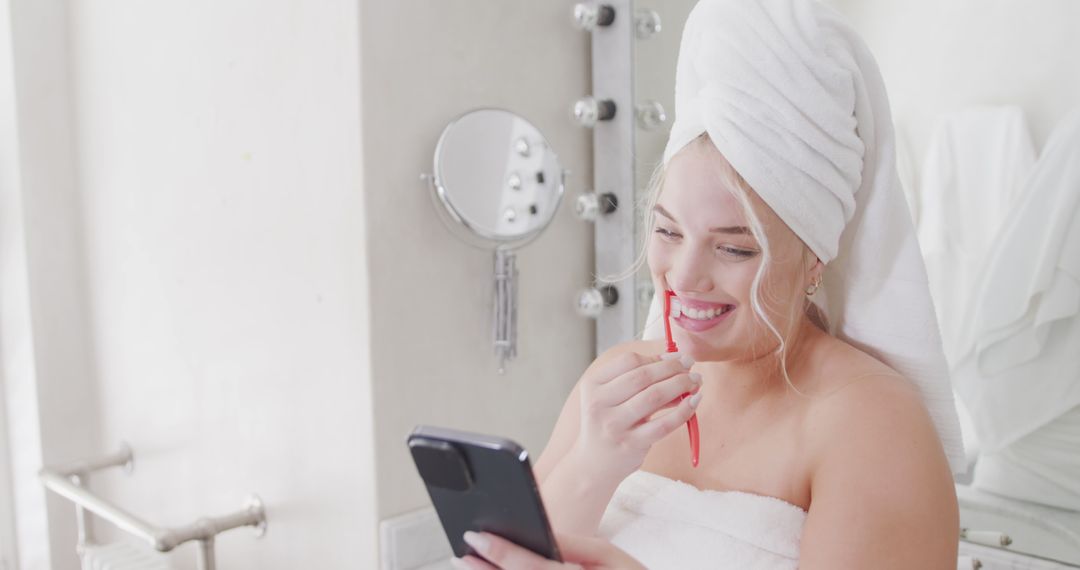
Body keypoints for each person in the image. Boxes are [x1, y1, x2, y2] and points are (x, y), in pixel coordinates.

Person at [454, 0, 965, 567]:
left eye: (734, 248)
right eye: (669, 232)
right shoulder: (615, 388)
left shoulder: (870, 424)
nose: (683, 276)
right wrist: (595, 463)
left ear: (815, 259)